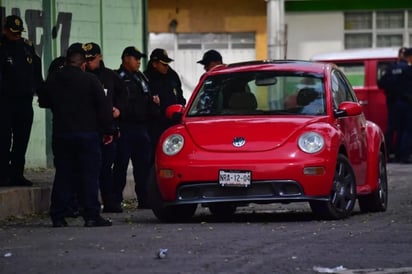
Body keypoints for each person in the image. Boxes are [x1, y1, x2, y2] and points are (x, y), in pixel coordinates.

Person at [39, 43, 113, 227]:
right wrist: (108, 130)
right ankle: (91, 216)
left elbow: (43, 101)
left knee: (63, 174)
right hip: (87, 135)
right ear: (83, 64)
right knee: (89, 175)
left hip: (62, 134)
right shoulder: (90, 80)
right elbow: (103, 109)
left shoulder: (55, 78)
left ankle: (58, 216)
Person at [113, 46, 160, 209]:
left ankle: (145, 199)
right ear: (126, 58)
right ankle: (115, 200)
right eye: (135, 58)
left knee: (143, 167)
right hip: (125, 127)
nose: (139, 62)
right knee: (121, 166)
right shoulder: (117, 78)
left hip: (141, 127)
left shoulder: (141, 77)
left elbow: (149, 99)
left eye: (140, 59)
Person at [0, 15, 43, 186]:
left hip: (24, 101)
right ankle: (3, 174)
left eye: (18, 33)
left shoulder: (27, 47)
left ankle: (17, 173)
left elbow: (36, 72)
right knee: (3, 139)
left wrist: (41, 92)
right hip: (4, 101)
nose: (16, 36)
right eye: (13, 33)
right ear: (5, 31)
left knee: (21, 140)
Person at [84, 42, 127, 213]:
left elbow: (124, 93)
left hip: (107, 130)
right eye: (86, 59)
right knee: (89, 170)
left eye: (92, 59)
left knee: (106, 169)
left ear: (100, 57)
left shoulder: (110, 76)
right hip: (88, 129)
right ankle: (87, 204)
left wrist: (119, 109)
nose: (89, 63)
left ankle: (110, 202)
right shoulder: (83, 75)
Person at [144, 48, 186, 157]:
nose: (167, 67)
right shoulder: (146, 79)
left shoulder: (172, 76)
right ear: (154, 64)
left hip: (173, 122)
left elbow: (180, 97)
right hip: (155, 125)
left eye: (168, 64)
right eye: (164, 64)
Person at [378, 47, 408, 162]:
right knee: (404, 128)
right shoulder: (408, 69)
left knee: (392, 128)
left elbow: (381, 84)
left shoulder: (390, 69)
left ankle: (388, 152)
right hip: (405, 103)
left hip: (392, 102)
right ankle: (401, 155)